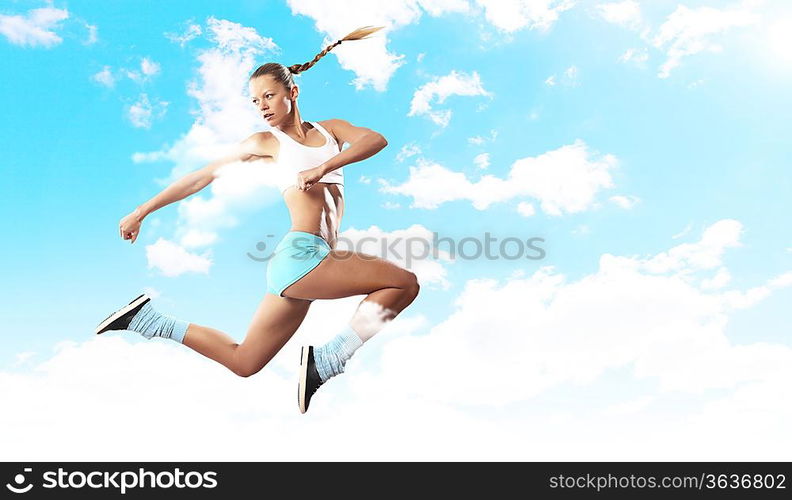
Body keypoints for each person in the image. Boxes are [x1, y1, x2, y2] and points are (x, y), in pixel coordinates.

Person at [96, 26, 420, 414]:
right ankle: (330, 359)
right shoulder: (264, 143)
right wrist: (141, 210)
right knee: (403, 283)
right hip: (303, 255)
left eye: (269, 96)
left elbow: (375, 140)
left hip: (309, 265)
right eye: (255, 101)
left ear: (292, 93)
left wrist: (323, 168)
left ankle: (150, 321)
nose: (263, 106)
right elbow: (202, 176)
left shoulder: (331, 130)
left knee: (245, 361)